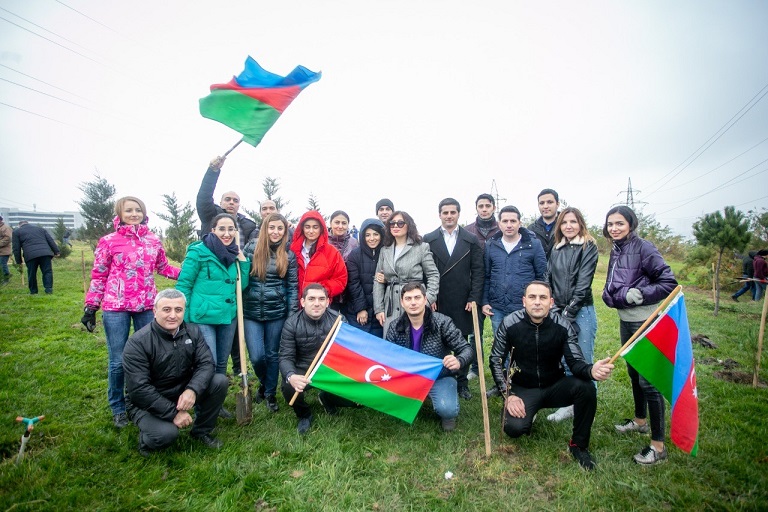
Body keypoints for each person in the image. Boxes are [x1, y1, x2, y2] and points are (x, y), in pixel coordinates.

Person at [489, 281, 614, 470]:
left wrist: (591, 370)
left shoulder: (563, 325)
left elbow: (575, 362)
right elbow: (496, 359)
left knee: (586, 388)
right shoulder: (510, 323)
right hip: (523, 387)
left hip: (555, 384)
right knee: (514, 428)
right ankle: (528, 415)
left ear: (551, 302)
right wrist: (508, 394)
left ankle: (578, 445)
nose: (537, 302)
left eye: (543, 298)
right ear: (524, 301)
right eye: (532, 297)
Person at [81, 196, 181, 429]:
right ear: (120, 213)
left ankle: (141, 400)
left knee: (149, 357)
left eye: (138, 210)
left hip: (146, 306)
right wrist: (91, 306)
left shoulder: (152, 240)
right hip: (116, 307)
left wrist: (188, 273)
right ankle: (118, 407)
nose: (134, 214)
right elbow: (99, 275)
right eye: (129, 210)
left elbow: (163, 267)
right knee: (118, 360)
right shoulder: (108, 241)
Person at [602, 205, 678, 465]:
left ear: (631, 224)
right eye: (610, 224)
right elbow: (613, 284)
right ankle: (639, 421)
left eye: (620, 223)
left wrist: (641, 294)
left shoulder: (644, 247)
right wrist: (614, 296)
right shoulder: (617, 248)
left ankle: (658, 446)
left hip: (645, 322)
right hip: (626, 321)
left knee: (649, 381)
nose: (614, 228)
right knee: (633, 371)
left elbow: (669, 282)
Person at [123, 289, 228, 456]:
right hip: (147, 402)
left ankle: (201, 431)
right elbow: (139, 390)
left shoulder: (193, 332)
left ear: (184, 311)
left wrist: (192, 390)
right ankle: (146, 441)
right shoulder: (138, 343)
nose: (173, 315)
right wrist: (174, 413)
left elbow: (206, 363)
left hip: (181, 391)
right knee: (166, 434)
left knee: (219, 381)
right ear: (155, 311)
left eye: (178, 310)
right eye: (166, 310)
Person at [176, 213, 250, 420]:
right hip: (202, 318)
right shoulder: (198, 252)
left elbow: (241, 286)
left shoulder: (234, 254)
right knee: (206, 364)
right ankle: (202, 407)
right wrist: (183, 317)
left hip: (227, 318)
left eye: (231, 229)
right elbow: (184, 285)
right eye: (222, 229)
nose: (226, 234)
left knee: (220, 364)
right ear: (213, 230)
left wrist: (242, 260)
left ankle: (215, 405)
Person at [386, 282, 473, 432]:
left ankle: (444, 408)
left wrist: (459, 360)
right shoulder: (395, 326)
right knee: (387, 399)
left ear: (425, 299)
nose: (413, 302)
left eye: (417, 297)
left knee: (447, 409)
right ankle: (415, 398)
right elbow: (386, 356)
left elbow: (467, 349)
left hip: (439, 376)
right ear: (402, 302)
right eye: (408, 298)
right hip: (408, 376)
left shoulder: (442, 322)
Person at [423, 198, 484, 400]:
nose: (449, 216)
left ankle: (462, 383)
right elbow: (424, 272)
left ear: (458, 214)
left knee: (461, 342)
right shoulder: (428, 239)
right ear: (439, 214)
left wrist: (473, 297)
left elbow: (478, 271)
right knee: (436, 341)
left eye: (453, 212)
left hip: (462, 299)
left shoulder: (470, 239)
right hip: (438, 299)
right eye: (445, 212)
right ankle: (439, 380)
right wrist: (429, 296)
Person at [546, 207, 599, 422]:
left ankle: (586, 407)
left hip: (581, 310)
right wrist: (554, 308)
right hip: (559, 310)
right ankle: (569, 405)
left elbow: (583, 284)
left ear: (580, 224)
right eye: (564, 222)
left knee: (583, 360)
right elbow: (548, 279)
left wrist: (568, 313)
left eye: (573, 222)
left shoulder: (588, 246)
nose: (569, 226)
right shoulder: (556, 249)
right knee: (566, 360)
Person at [242, 213, 299, 412]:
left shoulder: (289, 255)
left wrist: (291, 315)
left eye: (280, 229)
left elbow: (293, 287)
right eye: (272, 228)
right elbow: (240, 276)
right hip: (251, 312)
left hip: (277, 312)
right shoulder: (251, 248)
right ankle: (264, 383)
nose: (275, 232)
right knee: (257, 357)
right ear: (265, 228)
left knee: (272, 354)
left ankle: (269, 394)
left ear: (285, 232)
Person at [279, 283, 353, 434]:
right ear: (303, 302)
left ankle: (328, 398)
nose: (317, 303)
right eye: (311, 299)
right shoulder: (292, 323)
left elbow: (349, 352)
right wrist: (290, 376)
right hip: (305, 369)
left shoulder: (339, 320)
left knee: (358, 400)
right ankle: (304, 415)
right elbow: (285, 356)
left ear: (327, 302)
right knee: (288, 387)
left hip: (331, 369)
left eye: (321, 299)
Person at [482, 206, 547, 335]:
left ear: (520, 223)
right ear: (499, 224)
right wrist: (485, 301)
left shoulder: (533, 245)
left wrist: (537, 301)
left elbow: (542, 276)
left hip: (523, 307)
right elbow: (487, 276)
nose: (509, 225)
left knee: (523, 345)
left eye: (513, 221)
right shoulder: (491, 245)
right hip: (498, 307)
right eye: (505, 221)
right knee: (501, 346)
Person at [373, 211, 440, 335]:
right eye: (392, 224)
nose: (395, 226)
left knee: (416, 341)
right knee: (392, 342)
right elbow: (378, 280)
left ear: (408, 225)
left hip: (415, 301)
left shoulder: (421, 247)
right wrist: (379, 309)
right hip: (391, 305)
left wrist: (428, 299)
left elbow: (433, 275)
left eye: (400, 223)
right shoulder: (384, 250)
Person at [463, 193, 501, 377]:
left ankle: (500, 370)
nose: (484, 209)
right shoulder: (468, 231)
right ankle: (475, 368)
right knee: (474, 333)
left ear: (493, 207)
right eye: (481, 206)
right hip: (474, 288)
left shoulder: (502, 229)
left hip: (497, 287)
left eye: (488, 205)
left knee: (500, 332)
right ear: (476, 208)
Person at [196, 155, 258, 245]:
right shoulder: (210, 216)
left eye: (235, 201)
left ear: (239, 205)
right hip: (213, 259)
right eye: (227, 199)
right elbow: (204, 196)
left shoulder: (249, 226)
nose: (231, 202)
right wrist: (213, 171)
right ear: (221, 203)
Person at [289, 210, 348, 302]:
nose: (311, 231)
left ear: (321, 229)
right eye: (307, 227)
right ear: (302, 228)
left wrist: (322, 290)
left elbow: (340, 280)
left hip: (320, 305)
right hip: (295, 303)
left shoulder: (332, 252)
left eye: (315, 227)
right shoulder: (293, 250)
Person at [344, 218, 386, 337]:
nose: (371, 238)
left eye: (375, 234)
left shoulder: (386, 253)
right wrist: (361, 309)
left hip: (381, 312)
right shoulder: (355, 255)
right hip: (358, 311)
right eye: (367, 235)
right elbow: (353, 283)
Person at [12, 220, 60, 294]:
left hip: (30, 255)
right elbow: (50, 240)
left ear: (19, 225)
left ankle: (33, 291)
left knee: (32, 273)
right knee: (47, 271)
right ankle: (48, 289)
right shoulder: (40, 229)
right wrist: (56, 251)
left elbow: (16, 248)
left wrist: (19, 261)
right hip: (45, 254)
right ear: (28, 223)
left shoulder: (16, 232)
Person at [527, 188, 560, 259]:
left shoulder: (566, 227)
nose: (545, 206)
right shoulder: (531, 230)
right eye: (542, 203)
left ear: (557, 204)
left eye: (550, 202)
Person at [0, 215, 11, 284]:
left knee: (2, 265)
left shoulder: (5, 228)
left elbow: (8, 238)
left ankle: (6, 279)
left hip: (4, 251)